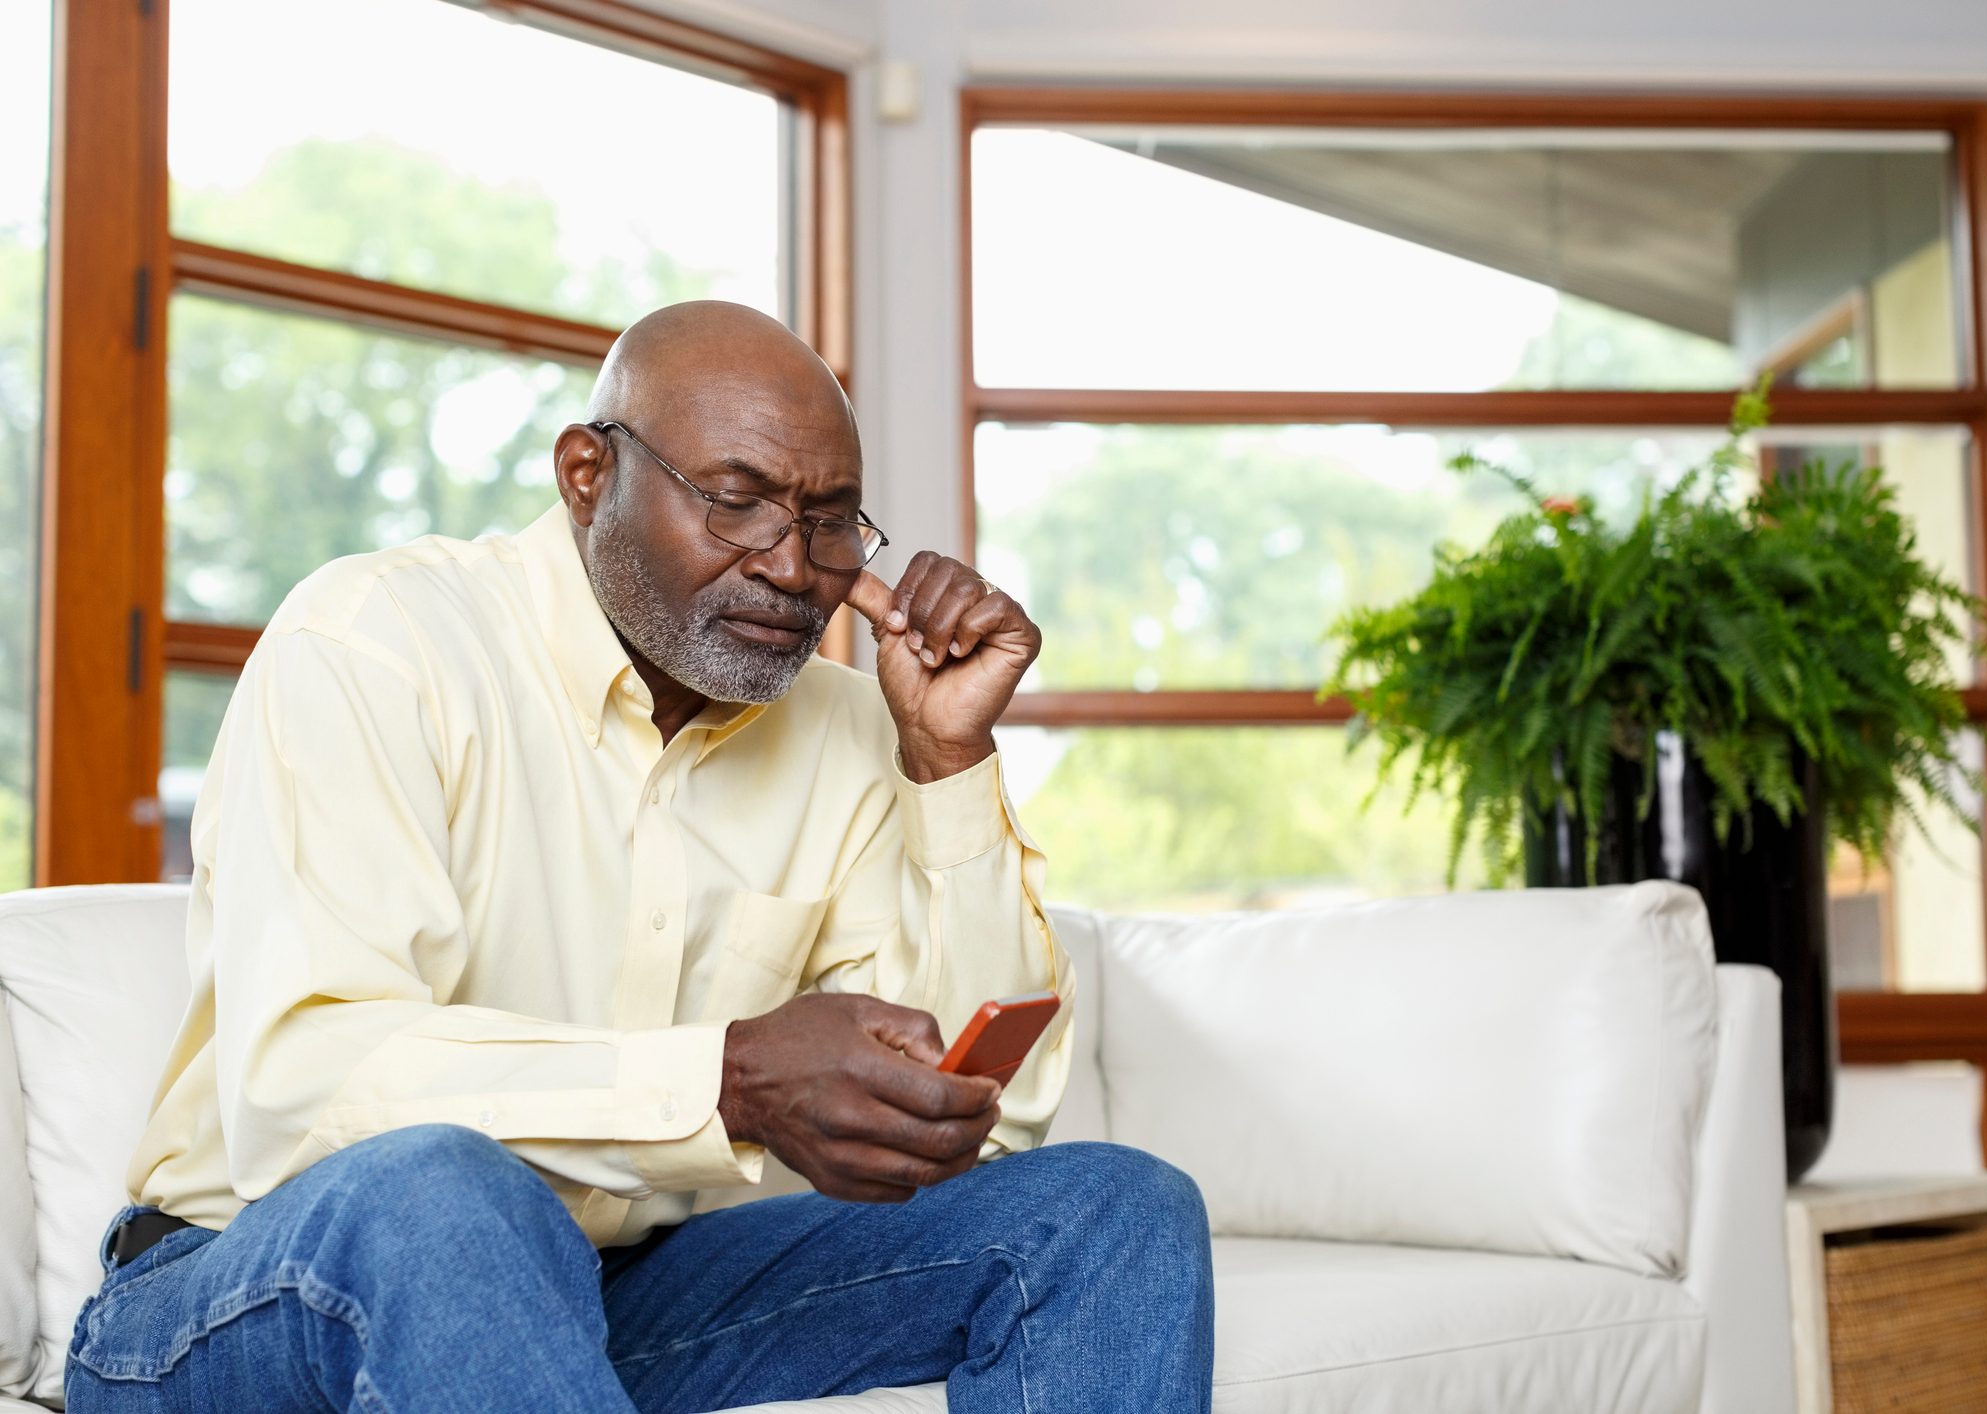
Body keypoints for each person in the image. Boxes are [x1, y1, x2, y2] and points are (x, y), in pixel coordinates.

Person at [66, 302, 1214, 1413]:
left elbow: (989, 1126)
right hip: (245, 1292)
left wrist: (947, 761)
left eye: (829, 519)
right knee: (447, 1192)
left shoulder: (854, 724)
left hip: (623, 1288)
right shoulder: (378, 641)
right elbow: (301, 1084)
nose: (792, 565)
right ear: (587, 474)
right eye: (737, 502)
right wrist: (730, 1075)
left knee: (1112, 1208)